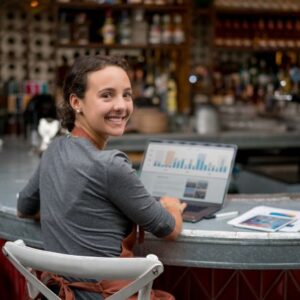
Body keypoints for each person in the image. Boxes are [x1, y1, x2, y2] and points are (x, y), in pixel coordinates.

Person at [17, 55, 186, 300]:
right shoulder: (110, 165)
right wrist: (172, 206)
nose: (121, 105)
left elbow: (24, 207)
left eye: (126, 95)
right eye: (107, 95)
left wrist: (69, 208)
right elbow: (167, 228)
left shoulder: (53, 149)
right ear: (77, 102)